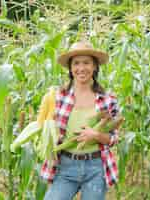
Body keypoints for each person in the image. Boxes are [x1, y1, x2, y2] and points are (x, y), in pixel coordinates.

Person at [41, 41, 119, 200]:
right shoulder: (58, 97)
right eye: (76, 63)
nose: (81, 68)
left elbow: (113, 138)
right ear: (70, 68)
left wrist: (95, 135)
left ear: (95, 66)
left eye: (86, 63)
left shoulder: (107, 100)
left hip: (95, 168)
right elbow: (46, 128)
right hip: (66, 166)